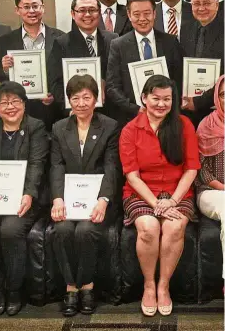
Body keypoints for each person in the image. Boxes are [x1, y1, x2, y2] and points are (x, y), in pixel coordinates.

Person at [119, 75, 200, 316]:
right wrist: (157, 204)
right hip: (141, 193)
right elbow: (132, 176)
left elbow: (192, 169)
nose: (161, 104)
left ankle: (163, 285)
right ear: (144, 98)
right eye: (156, 98)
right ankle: (149, 285)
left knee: (175, 228)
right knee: (148, 228)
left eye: (167, 99)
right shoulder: (130, 130)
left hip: (178, 192)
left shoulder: (184, 125)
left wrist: (173, 201)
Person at [0, 81, 49, 316]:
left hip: (24, 197)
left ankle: (14, 291)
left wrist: (28, 193)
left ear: (24, 104)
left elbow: (37, 164)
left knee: (10, 230)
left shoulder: (36, 127)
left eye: (15, 101)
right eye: (4, 102)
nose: (10, 106)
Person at [50, 74, 119, 317]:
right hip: (68, 197)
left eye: (86, 97)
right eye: (75, 98)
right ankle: (71, 286)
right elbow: (56, 165)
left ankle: (87, 286)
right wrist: (57, 198)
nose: (81, 103)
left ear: (95, 99)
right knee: (62, 229)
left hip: (98, 198)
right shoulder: (59, 128)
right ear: (69, 100)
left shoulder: (109, 126)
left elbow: (112, 166)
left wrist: (104, 199)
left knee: (85, 230)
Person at [106, 0, 183, 127]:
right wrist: (135, 109)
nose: (142, 19)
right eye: (136, 14)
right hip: (132, 118)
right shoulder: (118, 45)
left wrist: (167, 106)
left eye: (147, 13)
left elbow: (178, 79)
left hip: (167, 118)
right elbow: (112, 87)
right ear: (129, 15)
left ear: (154, 14)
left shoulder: (170, 42)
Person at [0, 0, 64, 130]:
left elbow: (64, 75)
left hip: (53, 111)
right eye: (26, 7)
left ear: (43, 8)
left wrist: (55, 96)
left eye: (35, 6)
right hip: (19, 112)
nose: (31, 11)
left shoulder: (61, 38)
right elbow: (0, 75)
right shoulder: (5, 41)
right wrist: (6, 69)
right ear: (17, 10)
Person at [48, 0, 118, 117]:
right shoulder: (62, 43)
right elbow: (55, 83)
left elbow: (119, 76)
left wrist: (105, 84)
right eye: (82, 10)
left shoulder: (113, 39)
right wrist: (70, 108)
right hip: (76, 113)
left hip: (110, 113)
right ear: (73, 14)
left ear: (99, 12)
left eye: (92, 10)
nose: (87, 14)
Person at [181, 0, 224, 127]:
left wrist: (199, 101)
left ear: (217, 5)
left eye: (207, 3)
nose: (201, 8)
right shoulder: (186, 29)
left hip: (217, 112)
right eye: (197, 4)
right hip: (187, 110)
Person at [195, 75, 224, 278]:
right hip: (210, 191)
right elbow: (201, 170)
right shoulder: (206, 125)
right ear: (216, 98)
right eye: (223, 94)